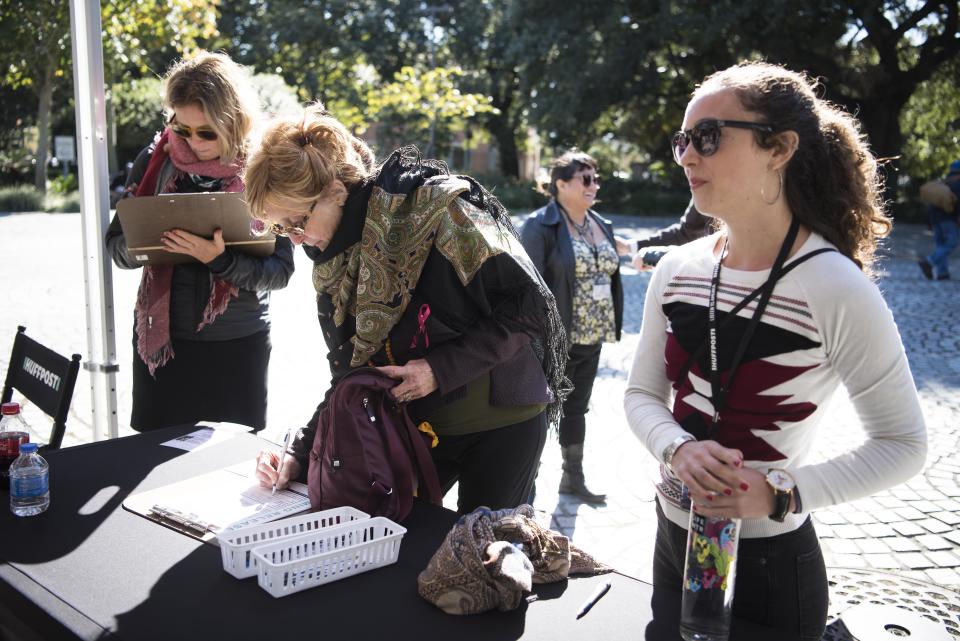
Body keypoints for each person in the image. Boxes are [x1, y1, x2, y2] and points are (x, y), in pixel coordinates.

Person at [623, 62, 926, 640]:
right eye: (682, 140)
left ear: (779, 148)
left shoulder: (835, 286)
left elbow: (904, 444)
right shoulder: (678, 270)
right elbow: (642, 395)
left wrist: (781, 494)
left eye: (707, 137)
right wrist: (676, 449)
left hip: (772, 568)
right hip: (671, 540)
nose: (687, 156)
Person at [247, 104, 568, 514]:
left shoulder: (442, 207)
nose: (294, 240)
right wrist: (299, 451)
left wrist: (439, 370)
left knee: (486, 556)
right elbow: (352, 374)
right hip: (419, 427)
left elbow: (532, 305)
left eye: (296, 221)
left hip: (503, 422)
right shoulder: (332, 264)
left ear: (335, 191)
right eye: (281, 228)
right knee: (403, 553)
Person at [105, 51, 295, 432]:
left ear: (234, 120)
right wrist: (149, 244)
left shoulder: (264, 169)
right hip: (161, 343)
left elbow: (280, 272)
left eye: (206, 132)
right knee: (151, 464)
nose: (193, 141)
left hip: (236, 346)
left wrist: (219, 260)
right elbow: (116, 248)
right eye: (181, 129)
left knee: (230, 468)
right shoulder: (154, 159)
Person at [520, 150, 633, 503]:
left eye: (595, 178)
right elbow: (527, 285)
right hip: (554, 340)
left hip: (592, 336)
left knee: (577, 409)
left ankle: (573, 479)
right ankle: (524, 488)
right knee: (538, 413)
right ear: (561, 184)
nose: (593, 185)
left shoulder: (601, 224)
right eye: (585, 179)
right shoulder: (540, 225)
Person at [630, 198, 712, 270]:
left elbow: (717, 252)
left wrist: (652, 255)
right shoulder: (703, 190)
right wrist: (632, 245)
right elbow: (685, 232)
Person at [917, 160, 960, 281]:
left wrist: (929, 222)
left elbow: (931, 205)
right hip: (949, 219)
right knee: (951, 243)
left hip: (936, 220)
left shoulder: (943, 183)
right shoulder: (958, 184)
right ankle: (929, 262)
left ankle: (943, 273)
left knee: (941, 244)